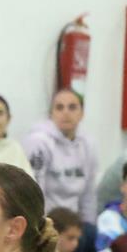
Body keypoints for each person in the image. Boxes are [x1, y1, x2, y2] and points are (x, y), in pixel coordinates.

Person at [23, 88, 97, 220]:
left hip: (75, 222)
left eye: (72, 107)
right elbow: (35, 190)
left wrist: (89, 224)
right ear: (51, 114)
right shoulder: (38, 142)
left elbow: (88, 193)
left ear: (82, 114)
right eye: (59, 107)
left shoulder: (87, 144)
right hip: (48, 219)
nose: (66, 113)